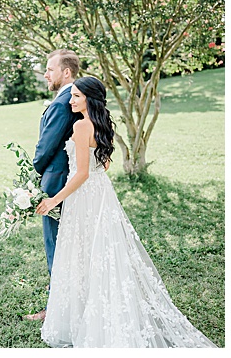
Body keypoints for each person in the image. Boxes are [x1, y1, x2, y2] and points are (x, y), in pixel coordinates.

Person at [35, 76, 216, 348]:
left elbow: (81, 173)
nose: (71, 101)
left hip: (84, 197)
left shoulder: (82, 125)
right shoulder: (102, 123)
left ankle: (86, 319)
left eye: (76, 96)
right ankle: (91, 313)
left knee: (83, 254)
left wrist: (53, 201)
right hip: (101, 195)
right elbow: (103, 165)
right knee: (97, 254)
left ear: (89, 99)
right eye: (71, 95)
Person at [23, 49, 82, 322]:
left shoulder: (62, 103)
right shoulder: (76, 99)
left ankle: (56, 309)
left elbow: (47, 146)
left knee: (55, 244)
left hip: (56, 179)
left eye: (49, 69)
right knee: (68, 243)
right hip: (69, 179)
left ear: (65, 72)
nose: (46, 74)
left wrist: (31, 176)